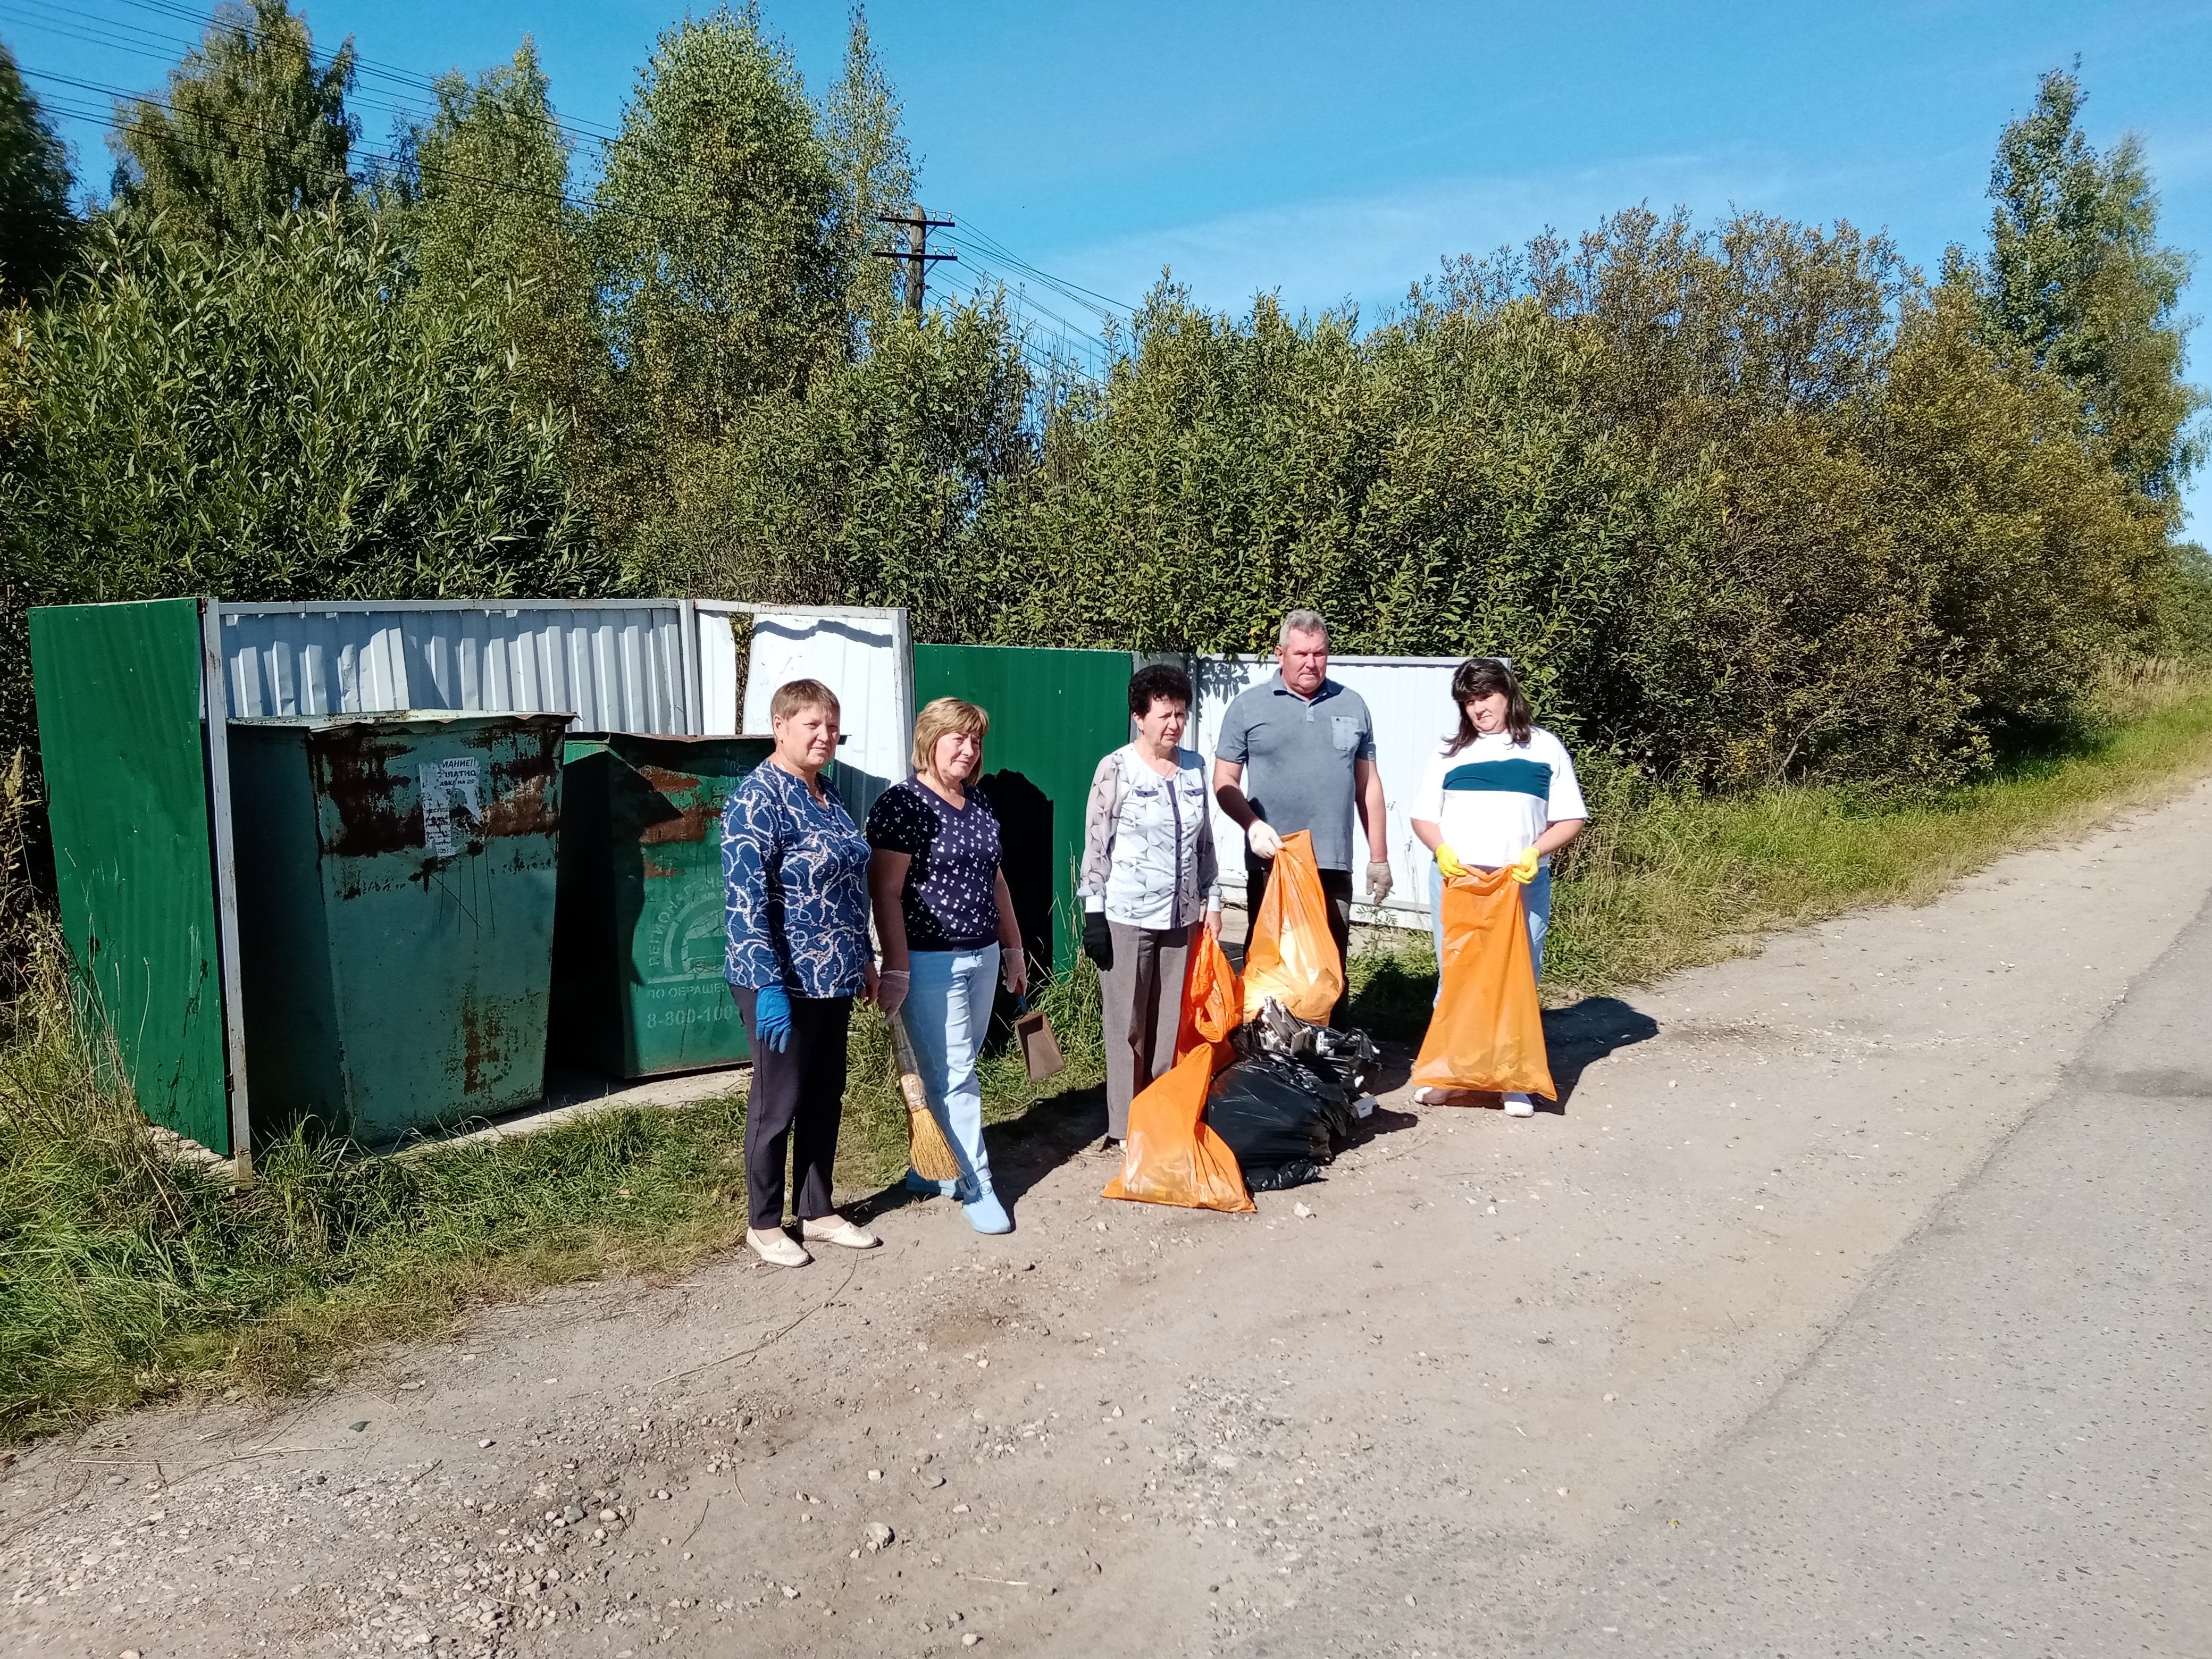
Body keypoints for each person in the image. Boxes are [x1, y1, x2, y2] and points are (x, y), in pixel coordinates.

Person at [721, 678, 884, 1267]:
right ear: (780, 727)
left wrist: (864, 956)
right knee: (778, 1101)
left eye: (831, 725)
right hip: (779, 979)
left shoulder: (826, 792)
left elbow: (844, 887)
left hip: (833, 974)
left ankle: (816, 1211)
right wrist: (766, 987)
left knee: (824, 1095)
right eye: (811, 724)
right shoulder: (756, 799)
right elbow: (745, 902)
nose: (824, 735)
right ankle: (763, 1224)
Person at [867, 697, 1028, 1235]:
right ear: (929, 740)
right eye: (956, 738)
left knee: (951, 1069)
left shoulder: (979, 803)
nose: (967, 749)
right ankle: (974, 1181)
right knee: (956, 1076)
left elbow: (996, 879)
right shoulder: (901, 805)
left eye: (975, 740)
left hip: (981, 955)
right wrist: (896, 968)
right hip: (929, 962)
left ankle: (928, 1165)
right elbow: (885, 892)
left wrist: (1012, 947)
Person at [1408, 655, 1587, 1117]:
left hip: (1519, 882)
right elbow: (1424, 816)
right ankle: (1448, 1071)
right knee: (1457, 976)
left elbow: (1571, 817)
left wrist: (1535, 852)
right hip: (1460, 881)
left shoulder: (1544, 748)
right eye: (1468, 701)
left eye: (1485, 696)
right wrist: (1441, 849)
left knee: (1517, 977)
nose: (1477, 708)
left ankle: (1512, 1079)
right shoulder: (1449, 752)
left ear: (1508, 694)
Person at [1211, 608, 1390, 1025]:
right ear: (1280, 654)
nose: (1311, 663)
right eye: (1301, 654)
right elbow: (1224, 780)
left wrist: (1378, 857)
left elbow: (1369, 785)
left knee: (1330, 970)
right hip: (1272, 864)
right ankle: (1274, 1069)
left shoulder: (1353, 705)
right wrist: (1251, 825)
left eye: (1320, 654)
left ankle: (1331, 1068)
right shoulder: (1248, 707)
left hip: (1331, 863)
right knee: (1274, 969)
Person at [1078, 663, 1224, 1149]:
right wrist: (1093, 911)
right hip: (1125, 916)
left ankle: (1159, 1116)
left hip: (1180, 917)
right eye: (1164, 714)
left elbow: (1205, 843)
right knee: (1127, 1025)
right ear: (1139, 717)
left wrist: (1214, 897)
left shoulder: (1195, 768)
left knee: (1166, 1025)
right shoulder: (1115, 768)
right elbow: (1097, 843)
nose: (1174, 724)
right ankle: (1123, 1128)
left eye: (1181, 714)